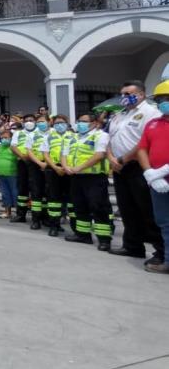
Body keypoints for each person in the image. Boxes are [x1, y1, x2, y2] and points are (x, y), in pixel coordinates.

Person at [106, 80, 164, 263]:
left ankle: (160, 251)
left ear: (140, 94)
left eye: (128, 93)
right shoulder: (120, 114)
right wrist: (111, 158)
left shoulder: (150, 113)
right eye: (122, 93)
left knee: (146, 209)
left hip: (138, 167)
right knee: (127, 209)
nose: (124, 97)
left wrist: (123, 159)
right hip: (118, 166)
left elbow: (143, 143)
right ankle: (132, 245)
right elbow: (110, 137)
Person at [61, 113, 113, 250]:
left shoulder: (101, 135)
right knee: (80, 206)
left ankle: (104, 239)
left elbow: (99, 155)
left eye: (84, 121)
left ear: (95, 123)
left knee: (98, 207)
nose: (80, 124)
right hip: (76, 177)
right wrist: (66, 167)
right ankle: (83, 235)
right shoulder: (74, 137)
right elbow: (64, 154)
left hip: (94, 177)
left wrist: (79, 167)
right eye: (79, 121)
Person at [137, 79, 169, 273]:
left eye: (167, 98)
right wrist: (150, 173)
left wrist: (164, 170)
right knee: (164, 223)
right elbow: (142, 149)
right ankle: (167, 260)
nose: (163, 102)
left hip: (162, 176)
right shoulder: (153, 124)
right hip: (157, 183)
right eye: (160, 99)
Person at [40, 114, 75, 237]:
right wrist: (55, 167)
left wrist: (67, 168)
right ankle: (54, 226)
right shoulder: (48, 137)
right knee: (54, 199)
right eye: (57, 123)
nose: (59, 125)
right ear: (53, 125)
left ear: (67, 123)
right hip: (53, 169)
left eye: (62, 122)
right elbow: (45, 154)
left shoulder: (74, 137)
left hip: (70, 171)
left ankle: (77, 229)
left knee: (71, 199)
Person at [24, 115, 50, 229]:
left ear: (49, 122)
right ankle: (36, 220)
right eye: (38, 122)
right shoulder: (32, 135)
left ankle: (48, 219)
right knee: (36, 193)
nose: (40, 123)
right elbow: (29, 151)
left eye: (43, 121)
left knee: (49, 193)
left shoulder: (53, 134)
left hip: (51, 166)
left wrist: (48, 164)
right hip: (35, 165)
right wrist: (40, 164)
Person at [10, 114, 36, 224]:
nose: (29, 122)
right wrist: (22, 156)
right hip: (22, 162)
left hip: (36, 163)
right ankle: (21, 214)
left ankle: (39, 216)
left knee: (37, 189)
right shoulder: (18, 133)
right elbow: (13, 146)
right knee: (22, 188)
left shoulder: (39, 133)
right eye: (27, 120)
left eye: (31, 120)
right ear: (23, 122)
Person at [0, 129, 18, 219]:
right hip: (0, 174)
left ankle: (18, 212)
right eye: (2, 138)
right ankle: (7, 212)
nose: (4, 139)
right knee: (5, 194)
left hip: (12, 174)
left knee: (15, 193)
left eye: (6, 138)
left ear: (11, 138)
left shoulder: (14, 147)